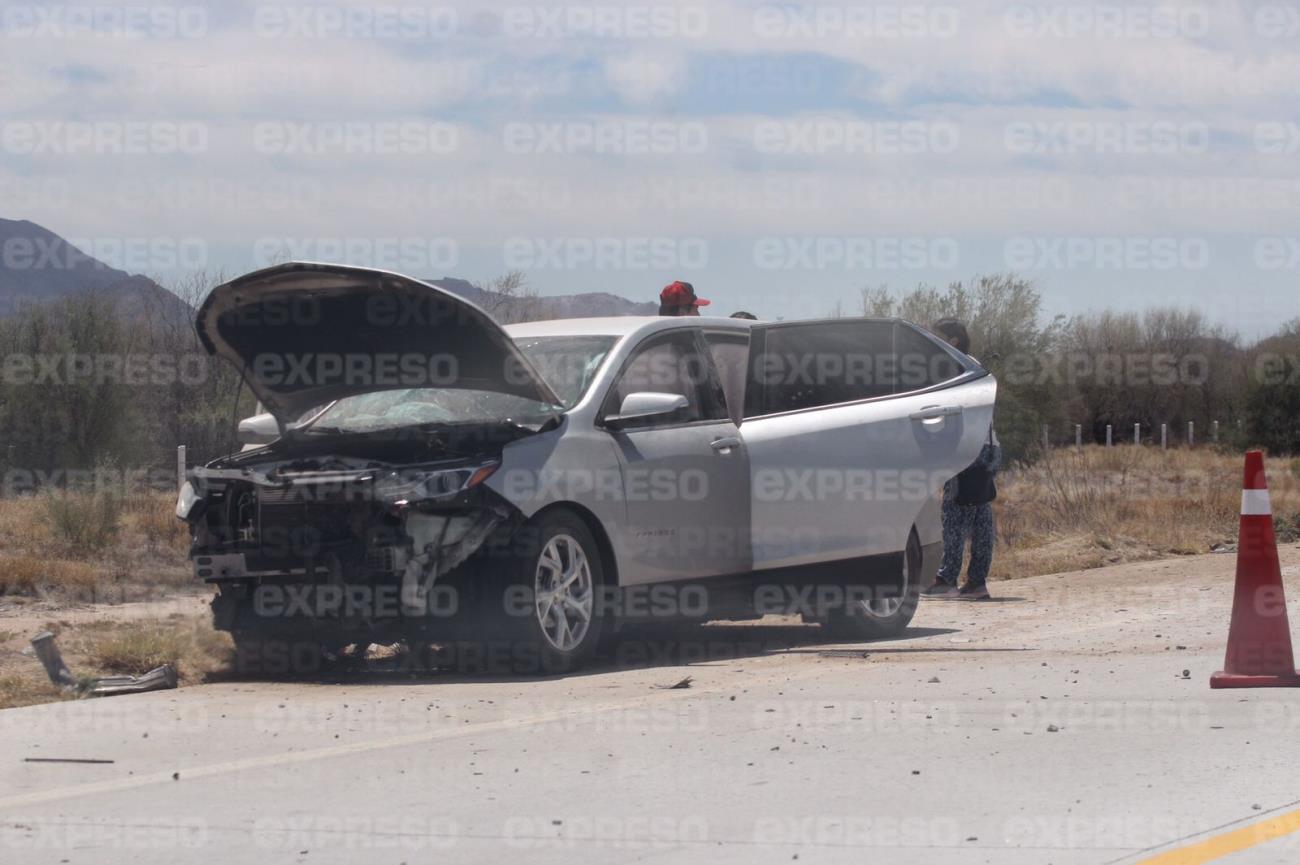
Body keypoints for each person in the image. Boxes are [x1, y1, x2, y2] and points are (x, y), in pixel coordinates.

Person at [922, 318, 1002, 600]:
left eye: (937, 336)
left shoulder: (954, 368)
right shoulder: (972, 364)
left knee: (954, 514)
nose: (931, 341)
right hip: (988, 446)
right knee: (980, 516)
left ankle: (946, 580)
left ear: (953, 340)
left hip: (968, 450)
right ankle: (977, 583)